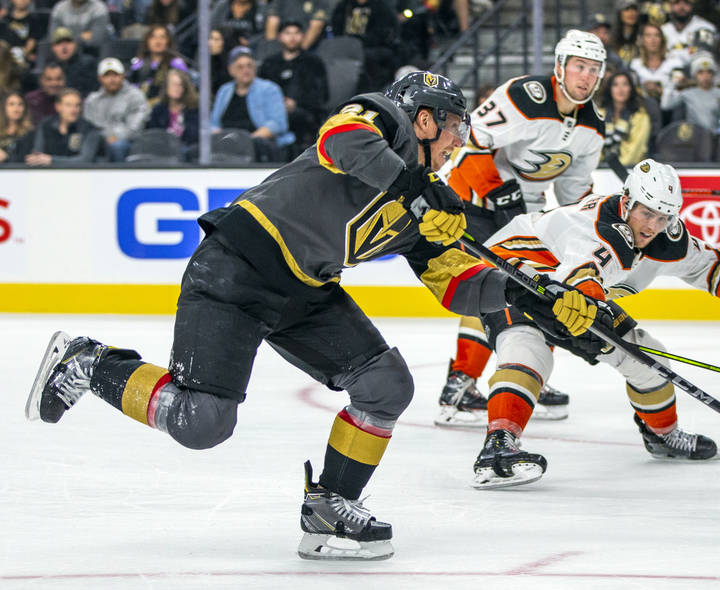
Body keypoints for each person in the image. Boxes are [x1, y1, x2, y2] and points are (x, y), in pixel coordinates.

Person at [24, 69, 600, 560]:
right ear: (425, 120)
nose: (457, 143)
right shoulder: (385, 118)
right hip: (239, 262)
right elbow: (343, 141)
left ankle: (327, 505)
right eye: (452, 129)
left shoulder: (423, 200)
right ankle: (88, 363)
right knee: (203, 423)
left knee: (384, 385)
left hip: (303, 290)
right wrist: (415, 187)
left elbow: (458, 283)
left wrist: (533, 300)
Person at [469, 159, 720, 489]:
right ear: (626, 202)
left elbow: (705, 264)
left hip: (569, 290)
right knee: (527, 350)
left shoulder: (665, 237)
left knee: (648, 357)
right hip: (514, 275)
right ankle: (498, 447)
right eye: (646, 213)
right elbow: (582, 274)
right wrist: (591, 310)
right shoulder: (595, 230)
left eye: (663, 217)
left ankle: (663, 436)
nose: (652, 226)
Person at [440, 29, 607, 427]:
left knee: (545, 291)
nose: (585, 76)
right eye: (579, 66)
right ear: (560, 67)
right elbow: (469, 139)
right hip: (474, 203)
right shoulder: (523, 96)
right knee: (492, 293)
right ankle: (459, 386)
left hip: (523, 215)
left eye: (594, 70)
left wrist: (574, 230)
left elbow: (573, 190)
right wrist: (496, 191)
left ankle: (524, 373)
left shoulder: (592, 127)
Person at [211, 46, 294, 162]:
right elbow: (214, 124)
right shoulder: (224, 91)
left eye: (249, 65)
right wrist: (222, 140)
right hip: (227, 145)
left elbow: (277, 124)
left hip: (257, 143)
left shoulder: (269, 89)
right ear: (231, 70)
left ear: (255, 68)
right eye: (240, 67)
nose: (246, 70)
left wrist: (245, 142)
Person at [259, 20, 328, 154]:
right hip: (271, 113)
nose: (292, 37)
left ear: (303, 36)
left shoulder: (313, 62)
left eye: (296, 33)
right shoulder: (269, 63)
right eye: (287, 33)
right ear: (280, 36)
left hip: (306, 113)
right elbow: (259, 90)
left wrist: (296, 103)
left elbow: (322, 94)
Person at [83, 56, 148, 162]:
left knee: (117, 146)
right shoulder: (92, 100)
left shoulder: (135, 96)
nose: (112, 79)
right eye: (107, 75)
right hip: (100, 141)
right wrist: (105, 138)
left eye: (115, 75)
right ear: (100, 78)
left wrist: (115, 138)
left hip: (128, 142)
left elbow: (135, 128)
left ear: (123, 76)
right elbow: (89, 125)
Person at [330, 0, 400, 94]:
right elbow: (336, 28)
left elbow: (383, 33)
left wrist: (359, 42)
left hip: (373, 47)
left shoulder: (382, 7)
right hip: (345, 46)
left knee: (368, 58)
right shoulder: (344, 6)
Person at [24, 87, 102, 165]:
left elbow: (85, 160)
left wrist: (51, 160)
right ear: (58, 107)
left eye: (77, 105)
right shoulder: (46, 125)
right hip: (48, 174)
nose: (73, 110)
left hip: (80, 174)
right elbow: (38, 155)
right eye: (68, 105)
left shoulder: (89, 129)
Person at [660, 53, 720, 132]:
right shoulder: (687, 94)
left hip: (716, 136)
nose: (705, 76)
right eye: (700, 72)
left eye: (709, 72)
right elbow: (665, 105)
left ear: (713, 74)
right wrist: (672, 83)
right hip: (695, 137)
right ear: (695, 75)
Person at [598, 70, 652, 166]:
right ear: (609, 89)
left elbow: (635, 152)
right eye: (615, 85)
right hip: (599, 170)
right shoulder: (599, 114)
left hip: (630, 171)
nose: (620, 89)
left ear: (631, 89)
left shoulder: (641, 117)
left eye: (625, 84)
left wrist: (611, 168)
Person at [128, 24, 189, 107]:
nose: (158, 41)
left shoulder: (176, 64)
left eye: (162, 37)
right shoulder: (139, 64)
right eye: (153, 37)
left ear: (168, 41)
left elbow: (185, 90)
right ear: (147, 41)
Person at [145, 68, 199, 157]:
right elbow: (153, 134)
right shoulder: (158, 109)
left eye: (180, 85)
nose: (177, 88)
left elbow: (194, 136)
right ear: (166, 87)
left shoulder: (193, 108)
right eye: (173, 85)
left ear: (185, 88)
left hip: (186, 149)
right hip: (162, 148)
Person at [631, 23, 685, 102]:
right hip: (643, 106)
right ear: (642, 39)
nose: (653, 40)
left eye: (657, 35)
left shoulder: (674, 62)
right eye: (648, 36)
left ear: (662, 39)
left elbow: (679, 91)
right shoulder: (635, 64)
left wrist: (659, 90)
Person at [47, 27, 98, 96]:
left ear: (75, 45)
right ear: (52, 47)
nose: (64, 46)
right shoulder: (48, 67)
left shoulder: (88, 63)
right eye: (59, 43)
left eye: (68, 42)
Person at [264, 0, 329, 51]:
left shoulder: (319, 2)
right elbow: (272, 22)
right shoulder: (280, 1)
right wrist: (272, 49)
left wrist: (299, 53)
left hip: (311, 47)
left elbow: (316, 27)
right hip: (281, 45)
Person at [0, 0, 49, 67]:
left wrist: (23, 53)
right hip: (5, 57)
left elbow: (32, 41)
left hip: (23, 59)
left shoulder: (34, 20)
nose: (22, 0)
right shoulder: (5, 20)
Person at [0, 90, 34, 162]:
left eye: (20, 104)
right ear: (3, 108)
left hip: (19, 171)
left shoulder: (31, 133)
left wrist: (6, 157)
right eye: (11, 104)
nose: (16, 109)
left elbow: (29, 158)